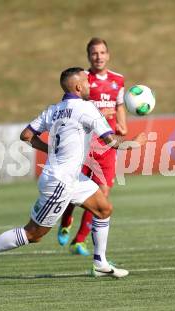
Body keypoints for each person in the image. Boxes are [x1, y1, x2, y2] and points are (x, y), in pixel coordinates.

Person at [0, 67, 146, 284]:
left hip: (70, 178)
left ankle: (100, 263)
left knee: (104, 208)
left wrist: (50, 150)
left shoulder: (54, 109)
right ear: (78, 87)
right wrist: (136, 143)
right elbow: (110, 141)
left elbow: (26, 135)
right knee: (34, 234)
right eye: (87, 82)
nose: (91, 85)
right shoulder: (86, 109)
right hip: (60, 181)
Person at [57, 38, 128, 256]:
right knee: (74, 189)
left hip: (107, 146)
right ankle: (66, 218)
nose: (99, 57)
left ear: (108, 55)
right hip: (86, 145)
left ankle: (79, 241)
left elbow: (119, 105)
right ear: (88, 56)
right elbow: (70, 108)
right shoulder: (81, 80)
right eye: (94, 53)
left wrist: (122, 124)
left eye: (102, 52)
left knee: (102, 195)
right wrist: (98, 114)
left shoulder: (118, 80)